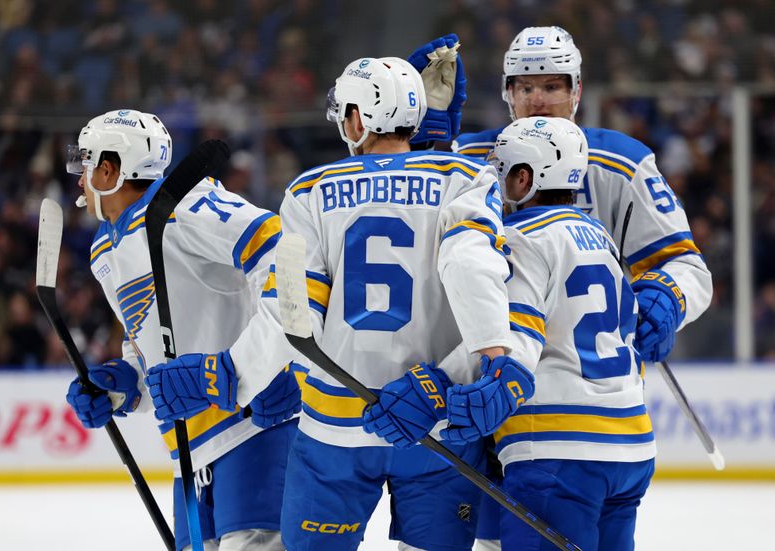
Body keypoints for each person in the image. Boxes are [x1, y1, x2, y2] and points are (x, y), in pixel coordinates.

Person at [432, 26, 711, 549]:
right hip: (483, 394)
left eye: (553, 86)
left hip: (562, 411)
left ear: (577, 91)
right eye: (525, 87)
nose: (538, 99)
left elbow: (687, 268)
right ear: (506, 93)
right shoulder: (465, 156)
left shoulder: (621, 162)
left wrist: (666, 297)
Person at [268, 53, 531, 551]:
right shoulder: (468, 176)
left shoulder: (308, 190)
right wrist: (495, 355)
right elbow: (473, 268)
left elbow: (293, 313)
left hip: (335, 425)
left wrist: (258, 375)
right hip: (435, 416)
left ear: (359, 118)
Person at [63, 109, 301, 551]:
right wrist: (123, 384)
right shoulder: (105, 250)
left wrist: (269, 364)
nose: (79, 178)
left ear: (111, 170)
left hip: (254, 431)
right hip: (189, 453)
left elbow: (287, 255)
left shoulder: (187, 206)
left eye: (87, 164)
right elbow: (153, 345)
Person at [444, 116, 656, 551]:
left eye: (503, 171)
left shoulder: (520, 238)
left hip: (560, 450)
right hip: (632, 445)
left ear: (524, 177)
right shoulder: (601, 236)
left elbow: (515, 340)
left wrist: (439, 383)